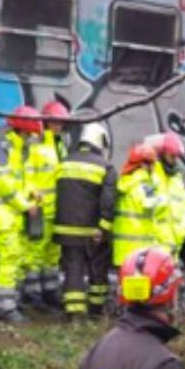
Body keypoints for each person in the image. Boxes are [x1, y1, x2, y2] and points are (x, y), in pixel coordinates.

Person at [0, 106, 43, 323]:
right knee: (10, 259)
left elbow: (19, 179)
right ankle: (6, 308)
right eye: (29, 134)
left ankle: (13, 302)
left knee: (18, 258)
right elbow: (1, 181)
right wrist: (24, 204)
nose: (31, 139)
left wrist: (31, 191)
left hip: (12, 213)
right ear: (21, 131)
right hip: (4, 214)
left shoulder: (14, 147)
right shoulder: (2, 146)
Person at [54, 122, 116, 318]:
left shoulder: (63, 162)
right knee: (97, 266)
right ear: (99, 142)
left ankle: (74, 312)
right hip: (92, 230)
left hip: (65, 228)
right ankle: (96, 309)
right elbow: (108, 202)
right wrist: (103, 228)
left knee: (73, 267)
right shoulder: (105, 167)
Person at [24, 103, 64, 309]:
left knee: (52, 253)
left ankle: (50, 291)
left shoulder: (58, 145)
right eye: (57, 121)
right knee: (35, 252)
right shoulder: (35, 146)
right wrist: (32, 200)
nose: (60, 126)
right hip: (40, 208)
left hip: (55, 209)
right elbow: (27, 175)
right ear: (47, 121)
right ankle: (33, 293)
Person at [112, 142, 166, 266]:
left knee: (126, 283)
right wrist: (163, 198)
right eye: (152, 163)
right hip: (138, 248)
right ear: (143, 164)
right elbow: (149, 205)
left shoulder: (126, 182)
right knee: (139, 284)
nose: (155, 166)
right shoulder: (142, 184)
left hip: (124, 248)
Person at [150, 133, 185, 261]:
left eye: (177, 156)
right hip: (156, 241)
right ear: (162, 153)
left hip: (174, 242)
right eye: (172, 155)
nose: (175, 159)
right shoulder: (152, 174)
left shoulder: (176, 177)